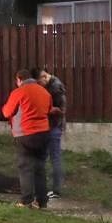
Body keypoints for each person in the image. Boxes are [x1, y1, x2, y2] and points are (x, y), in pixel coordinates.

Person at [1, 69, 51, 208]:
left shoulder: (19, 92)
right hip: (44, 133)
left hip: (26, 133)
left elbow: (7, 112)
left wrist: (4, 107)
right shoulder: (44, 92)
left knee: (25, 167)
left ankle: (27, 200)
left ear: (19, 79)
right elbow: (49, 109)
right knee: (40, 168)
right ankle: (42, 201)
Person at [33, 67, 67, 199]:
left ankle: (56, 190)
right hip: (50, 126)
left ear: (44, 77)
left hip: (54, 127)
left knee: (55, 158)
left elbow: (60, 110)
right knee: (46, 157)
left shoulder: (55, 87)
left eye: (39, 83)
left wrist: (45, 109)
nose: (39, 86)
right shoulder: (52, 85)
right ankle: (43, 188)